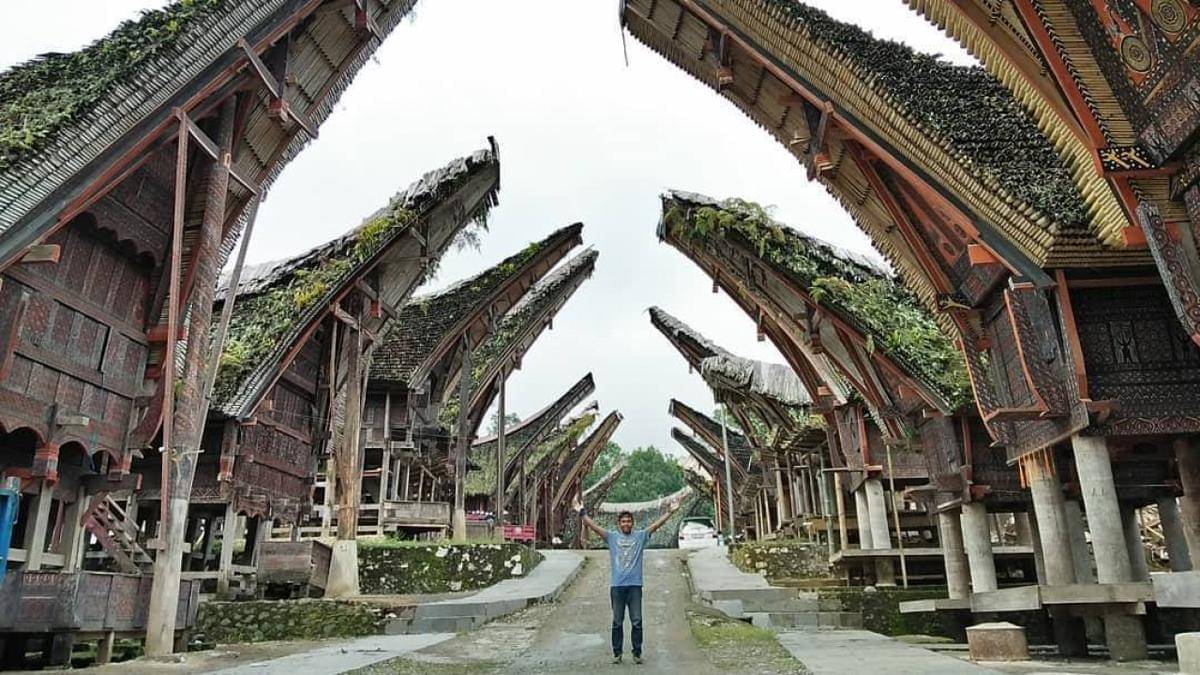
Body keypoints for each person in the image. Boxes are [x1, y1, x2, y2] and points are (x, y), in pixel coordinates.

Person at [572, 492, 685, 665]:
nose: (626, 524)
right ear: (619, 524)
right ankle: (617, 653)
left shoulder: (640, 537)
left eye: (629, 521)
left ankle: (637, 652)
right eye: (623, 521)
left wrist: (670, 512)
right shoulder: (611, 537)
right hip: (617, 587)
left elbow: (656, 525)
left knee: (637, 621)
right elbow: (593, 526)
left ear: (633, 523)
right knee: (617, 621)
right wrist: (581, 511)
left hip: (635, 587)